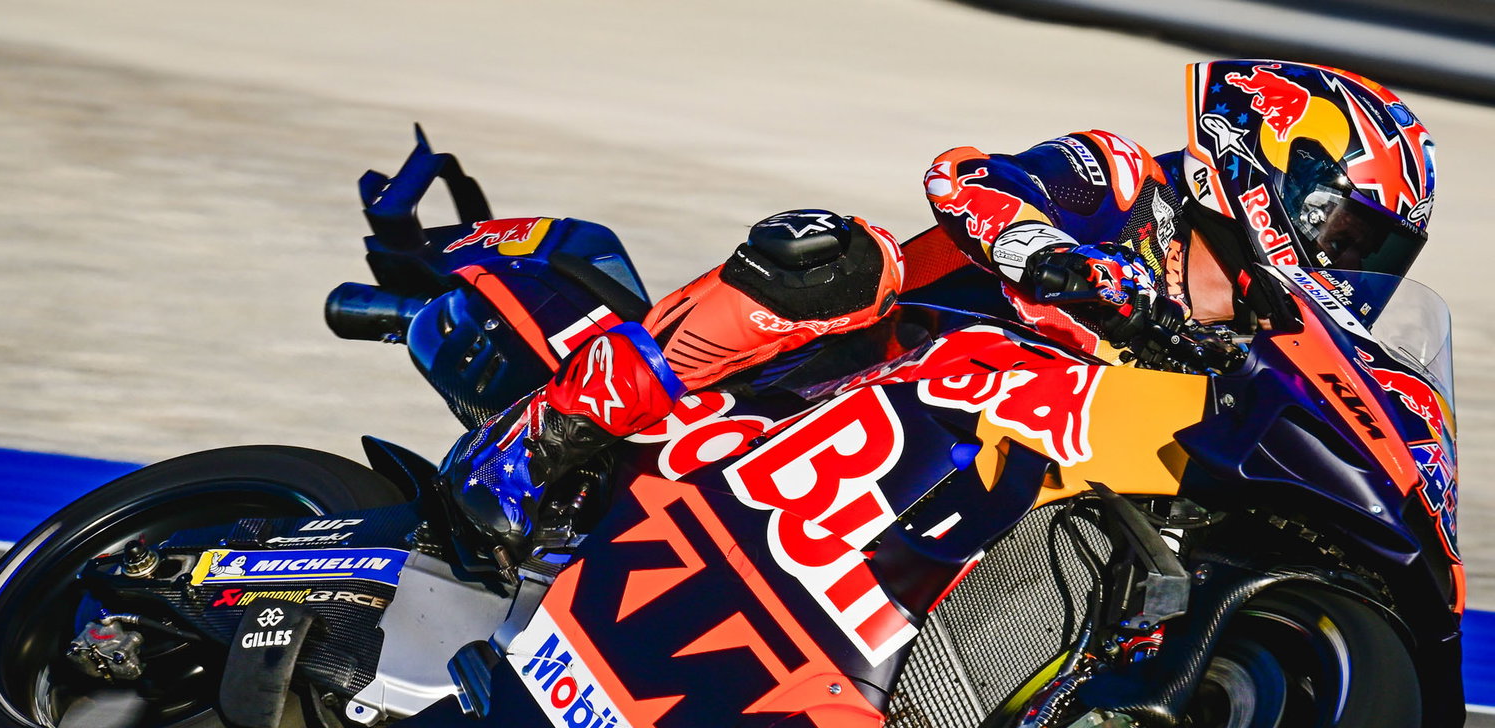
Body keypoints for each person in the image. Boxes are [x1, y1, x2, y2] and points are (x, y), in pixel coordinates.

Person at [445, 59, 1434, 558]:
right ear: (1277, 166)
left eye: (1373, 257)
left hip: (947, 498)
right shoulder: (1128, 182)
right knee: (834, 253)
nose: (1350, 271)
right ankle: (542, 445)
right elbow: (967, 177)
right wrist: (1052, 259)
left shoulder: (1254, 351)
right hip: (851, 373)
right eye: (1347, 235)